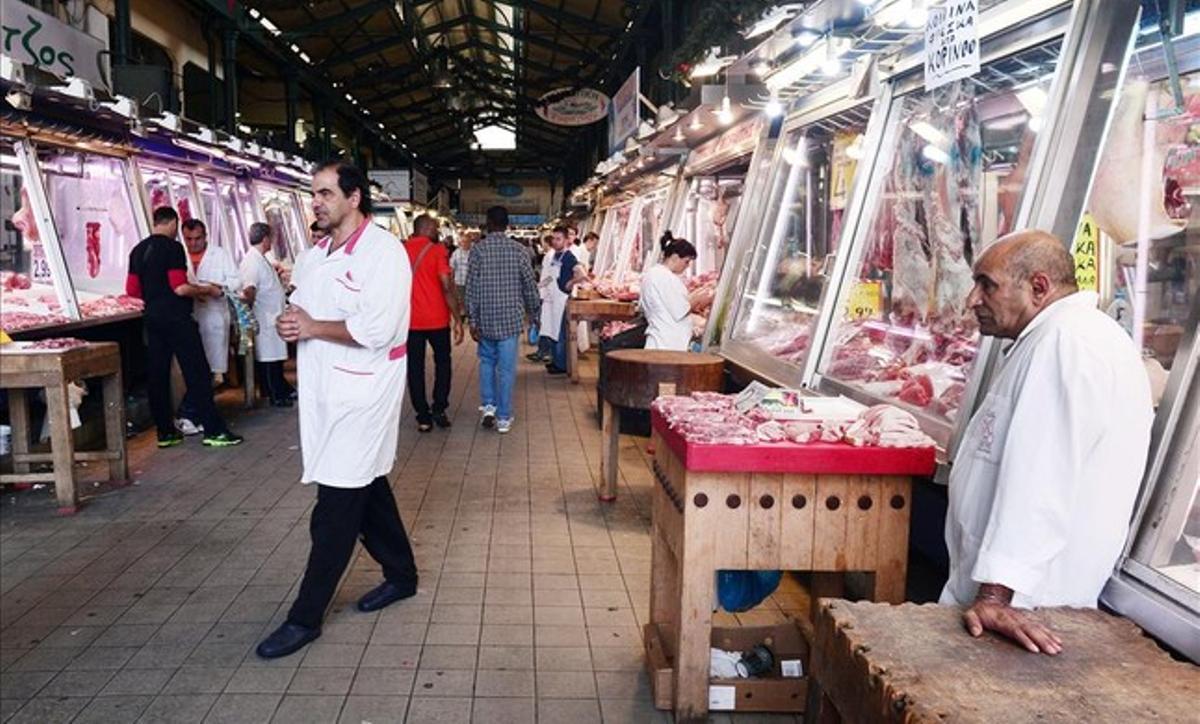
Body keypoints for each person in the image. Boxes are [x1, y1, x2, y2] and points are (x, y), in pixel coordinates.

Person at [942, 230, 1153, 655]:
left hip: (1023, 608)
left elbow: (1040, 475)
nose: (972, 300)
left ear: (1039, 287)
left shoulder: (1066, 342)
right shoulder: (1055, 336)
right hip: (1012, 602)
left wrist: (997, 596)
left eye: (988, 285)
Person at [256, 161, 418, 659]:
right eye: (314, 194)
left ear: (354, 197)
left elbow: (380, 329)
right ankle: (402, 574)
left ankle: (305, 617)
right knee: (364, 484)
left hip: (364, 392)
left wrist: (312, 327)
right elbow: (303, 309)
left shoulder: (384, 254)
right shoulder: (314, 255)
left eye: (326, 193)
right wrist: (292, 326)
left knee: (336, 506)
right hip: (325, 391)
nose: (317, 202)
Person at [125, 206, 243, 448]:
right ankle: (213, 430)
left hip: (152, 319)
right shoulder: (173, 247)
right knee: (198, 372)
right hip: (177, 319)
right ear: (174, 224)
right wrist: (206, 290)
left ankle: (165, 433)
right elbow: (179, 287)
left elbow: (132, 291)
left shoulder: (137, 250)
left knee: (157, 375)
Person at [466, 206, 540, 434]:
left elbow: (471, 287)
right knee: (506, 369)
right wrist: (534, 312)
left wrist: (472, 319)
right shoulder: (519, 251)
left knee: (487, 362)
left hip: (486, 318)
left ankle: (488, 406)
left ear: (488, 224)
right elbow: (529, 285)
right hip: (510, 319)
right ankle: (504, 417)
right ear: (507, 225)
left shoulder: (478, 250)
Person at [174, 219, 240, 435]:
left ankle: (191, 414)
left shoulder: (220, 254)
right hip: (190, 317)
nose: (193, 243)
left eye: (197, 239)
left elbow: (235, 283)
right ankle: (191, 414)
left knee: (208, 370)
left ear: (206, 236)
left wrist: (217, 289)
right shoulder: (178, 254)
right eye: (189, 239)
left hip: (213, 317)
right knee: (196, 369)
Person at [404, 213, 464, 432]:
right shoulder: (438, 250)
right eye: (436, 228)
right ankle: (439, 408)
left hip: (410, 322)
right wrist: (457, 318)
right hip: (437, 319)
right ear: (428, 229)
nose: (438, 232)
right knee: (443, 364)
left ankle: (422, 416)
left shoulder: (401, 250)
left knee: (414, 367)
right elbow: (446, 285)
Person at [241, 222, 294, 407]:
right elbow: (249, 290)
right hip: (264, 318)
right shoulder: (252, 261)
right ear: (265, 239)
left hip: (273, 317)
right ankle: (275, 395)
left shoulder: (261, 258)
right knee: (269, 359)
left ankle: (280, 389)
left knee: (275, 358)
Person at [641, 234, 709, 351]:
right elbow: (680, 310)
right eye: (686, 262)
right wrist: (699, 298)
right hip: (667, 344)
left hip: (663, 340)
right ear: (675, 257)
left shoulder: (655, 274)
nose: (687, 266)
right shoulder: (664, 276)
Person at [547, 226, 582, 375]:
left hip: (562, 298)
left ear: (566, 240)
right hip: (553, 298)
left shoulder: (568, 256)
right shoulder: (556, 255)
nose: (555, 242)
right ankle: (555, 360)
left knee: (561, 333)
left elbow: (581, 273)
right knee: (553, 330)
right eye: (553, 239)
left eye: (558, 239)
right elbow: (551, 276)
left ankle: (561, 365)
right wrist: (539, 286)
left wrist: (570, 283)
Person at [528, 232, 564, 364]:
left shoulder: (551, 256)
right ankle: (544, 352)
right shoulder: (552, 255)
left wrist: (540, 287)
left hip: (548, 295)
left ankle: (545, 352)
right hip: (548, 294)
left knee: (546, 324)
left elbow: (550, 277)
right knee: (545, 324)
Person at [450, 231, 473, 321]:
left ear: (470, 242)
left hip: (471, 282)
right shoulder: (456, 253)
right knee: (460, 300)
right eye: (463, 242)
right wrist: (451, 280)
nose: (465, 244)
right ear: (460, 242)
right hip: (459, 281)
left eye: (467, 242)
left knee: (470, 300)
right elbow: (452, 267)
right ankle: (462, 314)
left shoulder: (474, 252)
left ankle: (470, 314)